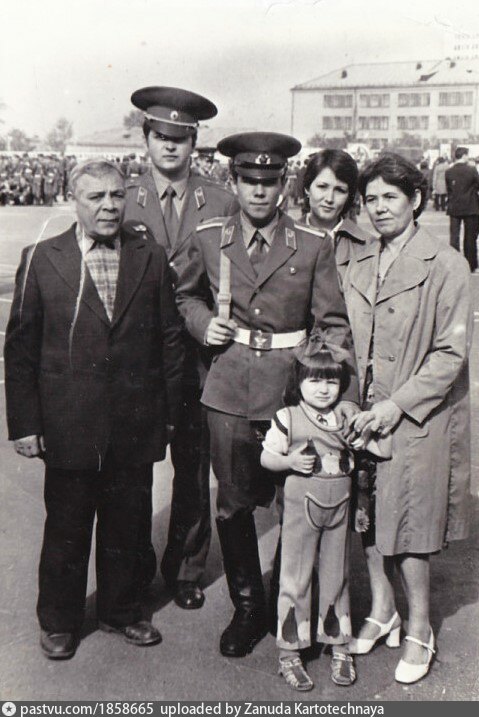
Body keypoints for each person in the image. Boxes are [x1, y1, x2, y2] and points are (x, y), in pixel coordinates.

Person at [176, 131, 358, 658]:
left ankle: (290, 602)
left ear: (284, 185)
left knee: (295, 500)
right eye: (249, 181)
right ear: (233, 182)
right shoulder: (209, 237)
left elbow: (332, 323)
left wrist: (325, 388)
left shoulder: (312, 243)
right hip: (230, 388)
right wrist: (202, 323)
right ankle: (249, 607)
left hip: (290, 391)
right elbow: (185, 294)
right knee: (233, 504)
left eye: (270, 181)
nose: (259, 191)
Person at [4, 159, 184, 659]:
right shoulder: (42, 258)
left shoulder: (150, 256)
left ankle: (120, 611)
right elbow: (20, 350)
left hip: (134, 422)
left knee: (127, 523)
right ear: (74, 201)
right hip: (68, 424)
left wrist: (168, 416)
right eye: (96, 197)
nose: (109, 206)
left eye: (117, 195)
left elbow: (169, 340)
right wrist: (25, 424)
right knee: (67, 527)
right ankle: (59, 621)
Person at [343, 153, 472, 684]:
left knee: (412, 523)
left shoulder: (446, 264)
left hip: (416, 416)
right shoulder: (358, 259)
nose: (379, 208)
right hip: (363, 409)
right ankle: (382, 609)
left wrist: (394, 406)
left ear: (416, 199)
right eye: (370, 199)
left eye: (390, 197)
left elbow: (449, 354)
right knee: (368, 512)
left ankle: (419, 626)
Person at [124, 86, 237, 611]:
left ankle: (186, 568)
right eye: (160, 136)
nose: (170, 146)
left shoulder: (221, 200)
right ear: (146, 139)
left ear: (194, 142)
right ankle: (133, 568)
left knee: (192, 467)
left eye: (181, 137)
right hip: (137, 356)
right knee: (131, 469)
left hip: (196, 355)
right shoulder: (124, 198)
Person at [261, 337, 358, 690]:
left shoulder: (345, 417)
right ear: (298, 381)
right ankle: (290, 652)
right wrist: (288, 461)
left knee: (337, 575)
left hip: (339, 510)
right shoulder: (288, 417)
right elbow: (266, 456)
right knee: (296, 577)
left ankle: (339, 645)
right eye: (314, 380)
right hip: (302, 510)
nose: (323, 388)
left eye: (331, 380)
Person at [301, 149, 369, 283]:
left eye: (340, 190)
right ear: (307, 188)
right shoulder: (281, 237)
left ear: (349, 196)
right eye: (322, 187)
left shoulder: (369, 245)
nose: (329, 199)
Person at [445, 146, 479, 272]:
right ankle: (471, 264)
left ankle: (454, 264)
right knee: (470, 237)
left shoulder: (449, 171)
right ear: (464, 155)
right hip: (471, 206)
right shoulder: (472, 170)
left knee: (454, 236)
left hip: (454, 206)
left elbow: (449, 189)